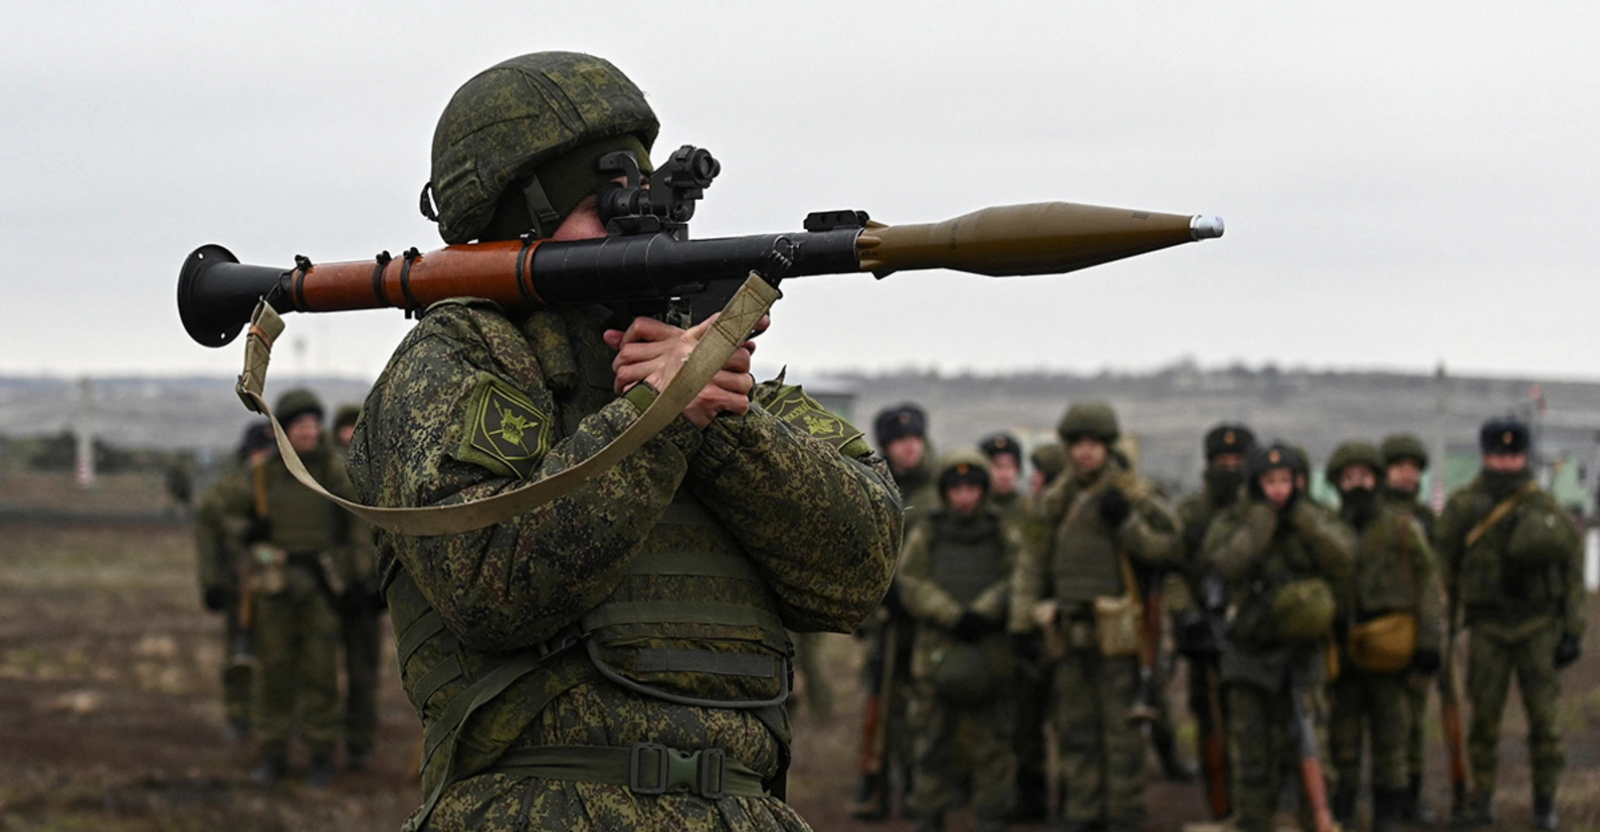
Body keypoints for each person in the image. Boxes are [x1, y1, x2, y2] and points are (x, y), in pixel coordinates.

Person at [345, 51, 902, 831]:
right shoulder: (465, 357)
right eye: (601, 202)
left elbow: (857, 571)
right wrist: (658, 416)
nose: (642, 222)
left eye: (644, 197)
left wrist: (721, 419)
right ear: (519, 221)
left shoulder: (727, 382)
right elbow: (490, 581)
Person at [1011, 401, 1182, 832]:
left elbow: (1169, 548)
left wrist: (1126, 523)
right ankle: (1083, 811)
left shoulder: (1133, 494)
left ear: (1107, 446)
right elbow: (1032, 563)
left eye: (1093, 444)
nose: (1085, 453)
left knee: (1122, 735)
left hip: (1120, 635)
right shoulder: (1055, 500)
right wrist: (1021, 624)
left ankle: (1125, 815)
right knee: (1075, 731)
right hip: (1068, 632)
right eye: (1077, 444)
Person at [1436, 418, 1583, 831]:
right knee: (1483, 721)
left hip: (1538, 627)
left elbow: (1572, 571)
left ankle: (1544, 805)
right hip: (1487, 629)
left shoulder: (1544, 507)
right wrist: (1440, 633)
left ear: (1525, 456)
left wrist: (1573, 629)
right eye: (1499, 456)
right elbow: (1442, 569)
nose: (1506, 463)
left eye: (1514, 455)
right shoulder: (1465, 506)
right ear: (1485, 456)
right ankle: (1481, 800)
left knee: (1545, 723)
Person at [1202, 442, 1354, 832]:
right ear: (1254, 483)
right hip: (1248, 651)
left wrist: (1303, 519)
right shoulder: (1235, 520)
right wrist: (1260, 522)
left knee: (1309, 743)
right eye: (1269, 481)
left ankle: (1311, 818)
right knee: (1251, 749)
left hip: (1302, 652)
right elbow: (1224, 563)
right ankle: (1253, 821)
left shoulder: (1315, 518)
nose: (1278, 489)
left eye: (1285, 480)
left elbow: (1343, 559)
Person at [218, 389, 361, 787]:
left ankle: (320, 755)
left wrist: (357, 575)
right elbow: (226, 518)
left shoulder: (334, 471)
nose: (310, 431)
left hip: (321, 588)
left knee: (321, 675)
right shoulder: (262, 475)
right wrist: (249, 530)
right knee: (274, 674)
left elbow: (357, 524)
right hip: (275, 587)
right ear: (282, 430)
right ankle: (274, 754)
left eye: (315, 423)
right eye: (300, 424)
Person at [898, 452, 1022, 832]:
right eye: (956, 489)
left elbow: (1019, 577)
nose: (964, 497)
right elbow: (911, 581)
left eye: (972, 488)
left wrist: (983, 612)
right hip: (937, 652)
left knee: (992, 743)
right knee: (932, 741)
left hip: (990, 652)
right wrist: (952, 615)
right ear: (945, 492)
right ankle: (929, 812)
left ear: (983, 492)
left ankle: (992, 814)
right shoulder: (929, 532)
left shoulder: (1004, 532)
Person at [1322, 442, 1444, 832]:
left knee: (1392, 740)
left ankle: (1387, 817)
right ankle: (1342, 813)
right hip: (1341, 650)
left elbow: (1427, 587)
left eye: (1365, 476)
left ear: (1376, 479)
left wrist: (1428, 642)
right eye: (1348, 477)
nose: (1357, 484)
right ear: (1337, 483)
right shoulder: (1326, 529)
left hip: (1392, 649)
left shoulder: (1401, 528)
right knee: (1343, 742)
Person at [852, 402, 938, 821]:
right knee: (878, 702)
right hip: (885, 620)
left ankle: (918, 788)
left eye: (914, 439)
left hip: (927, 622)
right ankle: (876, 784)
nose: (909, 448)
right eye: (899, 441)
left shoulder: (940, 494)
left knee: (923, 709)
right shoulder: (875, 489)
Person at [1172, 422, 1255, 819]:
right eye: (1221, 462)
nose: (1230, 469)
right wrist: (1187, 615)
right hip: (1205, 629)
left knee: (1255, 726)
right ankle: (1220, 808)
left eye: (1238, 461)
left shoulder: (1261, 511)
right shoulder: (1191, 513)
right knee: (1211, 725)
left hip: (1254, 632)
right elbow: (1173, 570)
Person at [193, 420, 275, 742]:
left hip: (275, 586)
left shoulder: (285, 488)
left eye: (267, 452)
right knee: (238, 654)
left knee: (279, 656)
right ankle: (239, 715)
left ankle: (276, 717)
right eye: (257, 451)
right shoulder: (224, 491)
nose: (261, 458)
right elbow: (208, 540)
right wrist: (211, 583)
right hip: (235, 586)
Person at [1378, 431, 1440, 822]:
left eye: (1412, 470)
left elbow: (1439, 578)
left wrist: (1434, 636)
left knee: (1415, 722)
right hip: (1381, 633)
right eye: (1398, 468)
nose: (1405, 476)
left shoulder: (1428, 521)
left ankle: (1411, 802)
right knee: (1384, 722)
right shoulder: (1373, 517)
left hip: (1419, 631)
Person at [331, 401, 383, 771]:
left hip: (369, 591)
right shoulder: (322, 475)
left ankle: (359, 745)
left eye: (356, 427)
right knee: (317, 671)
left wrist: (379, 583)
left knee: (363, 674)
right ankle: (318, 740)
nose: (349, 435)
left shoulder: (382, 472)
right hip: (330, 589)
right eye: (344, 428)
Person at [978, 432, 1026, 523]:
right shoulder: (975, 511)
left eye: (1009, 466)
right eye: (997, 466)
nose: (1004, 474)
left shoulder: (1029, 510)